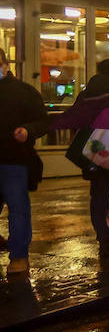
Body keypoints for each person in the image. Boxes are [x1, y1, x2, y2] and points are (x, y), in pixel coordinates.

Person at [66, 56, 109, 260]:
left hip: (94, 154)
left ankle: (104, 241)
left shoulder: (87, 94)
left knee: (99, 198)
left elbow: (75, 119)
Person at [0, 46, 49, 275]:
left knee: (18, 208)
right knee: (18, 208)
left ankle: (19, 257)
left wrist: (28, 131)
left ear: (4, 64)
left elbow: (42, 121)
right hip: (13, 160)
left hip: (14, 160)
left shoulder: (24, 92)